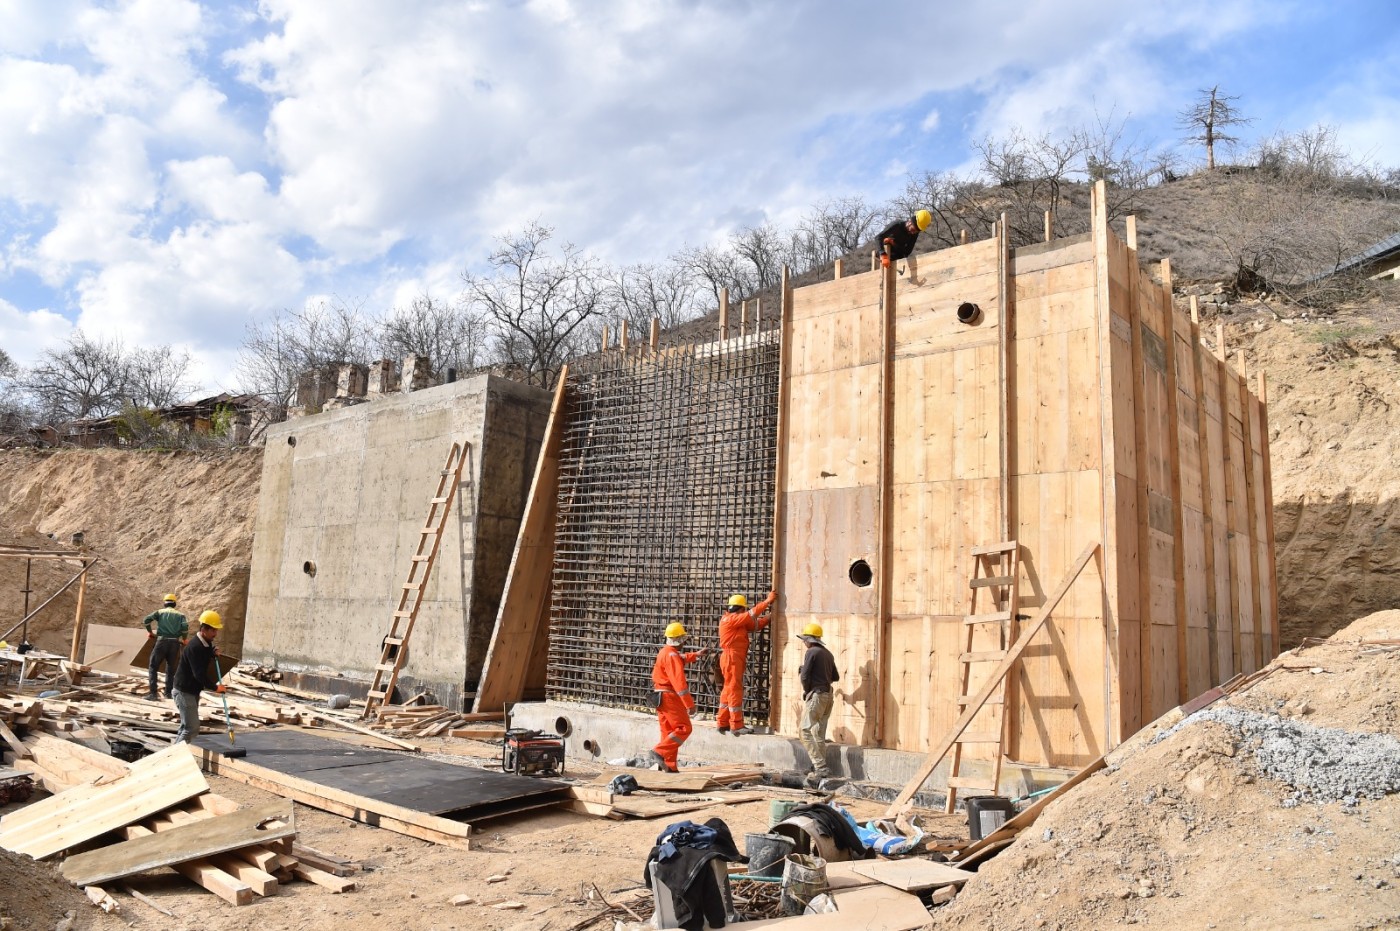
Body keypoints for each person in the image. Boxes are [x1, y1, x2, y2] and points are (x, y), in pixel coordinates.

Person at [650, 622, 709, 773]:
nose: (684, 642)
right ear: (679, 639)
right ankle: (660, 752)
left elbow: (679, 658)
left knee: (669, 732)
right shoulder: (671, 655)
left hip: (659, 696)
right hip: (669, 696)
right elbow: (680, 684)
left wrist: (696, 655)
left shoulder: (665, 652)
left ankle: (669, 765)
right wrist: (690, 705)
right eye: (683, 639)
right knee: (684, 728)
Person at [716, 590, 777, 735]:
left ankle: (722, 722)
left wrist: (769, 618)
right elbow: (751, 614)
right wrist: (767, 602)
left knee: (728, 689)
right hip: (732, 658)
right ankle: (736, 725)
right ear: (741, 608)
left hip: (732, 658)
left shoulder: (737, 621)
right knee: (735, 689)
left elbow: (755, 625)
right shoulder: (731, 619)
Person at [796, 621, 839, 788]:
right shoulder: (827, 654)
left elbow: (805, 677)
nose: (804, 643)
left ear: (809, 639)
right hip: (828, 696)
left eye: (804, 639)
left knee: (804, 730)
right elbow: (835, 677)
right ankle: (819, 767)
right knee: (818, 734)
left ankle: (820, 767)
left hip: (817, 695)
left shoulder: (811, 652)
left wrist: (807, 690)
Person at [172, 610, 225, 743]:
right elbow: (199, 674)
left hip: (191, 690)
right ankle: (173, 756)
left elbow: (204, 655)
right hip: (184, 692)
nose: (215, 634)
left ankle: (175, 753)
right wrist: (215, 688)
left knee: (186, 726)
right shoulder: (195, 647)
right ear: (204, 630)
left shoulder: (204, 644)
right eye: (213, 630)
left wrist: (212, 653)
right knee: (192, 728)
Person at [142, 593, 188, 701]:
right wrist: (184, 638)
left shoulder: (160, 612)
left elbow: (146, 620)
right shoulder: (181, 615)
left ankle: (153, 694)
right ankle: (168, 693)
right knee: (171, 669)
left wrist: (150, 632)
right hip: (175, 644)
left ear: (165, 603)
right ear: (175, 604)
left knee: (153, 667)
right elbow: (185, 627)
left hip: (161, 642)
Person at [877, 209, 932, 285]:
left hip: (897, 261)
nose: (913, 232)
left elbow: (906, 252)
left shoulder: (914, 234)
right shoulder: (896, 225)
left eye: (916, 231)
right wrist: (883, 255)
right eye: (913, 229)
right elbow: (878, 237)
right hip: (883, 259)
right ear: (910, 222)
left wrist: (893, 243)